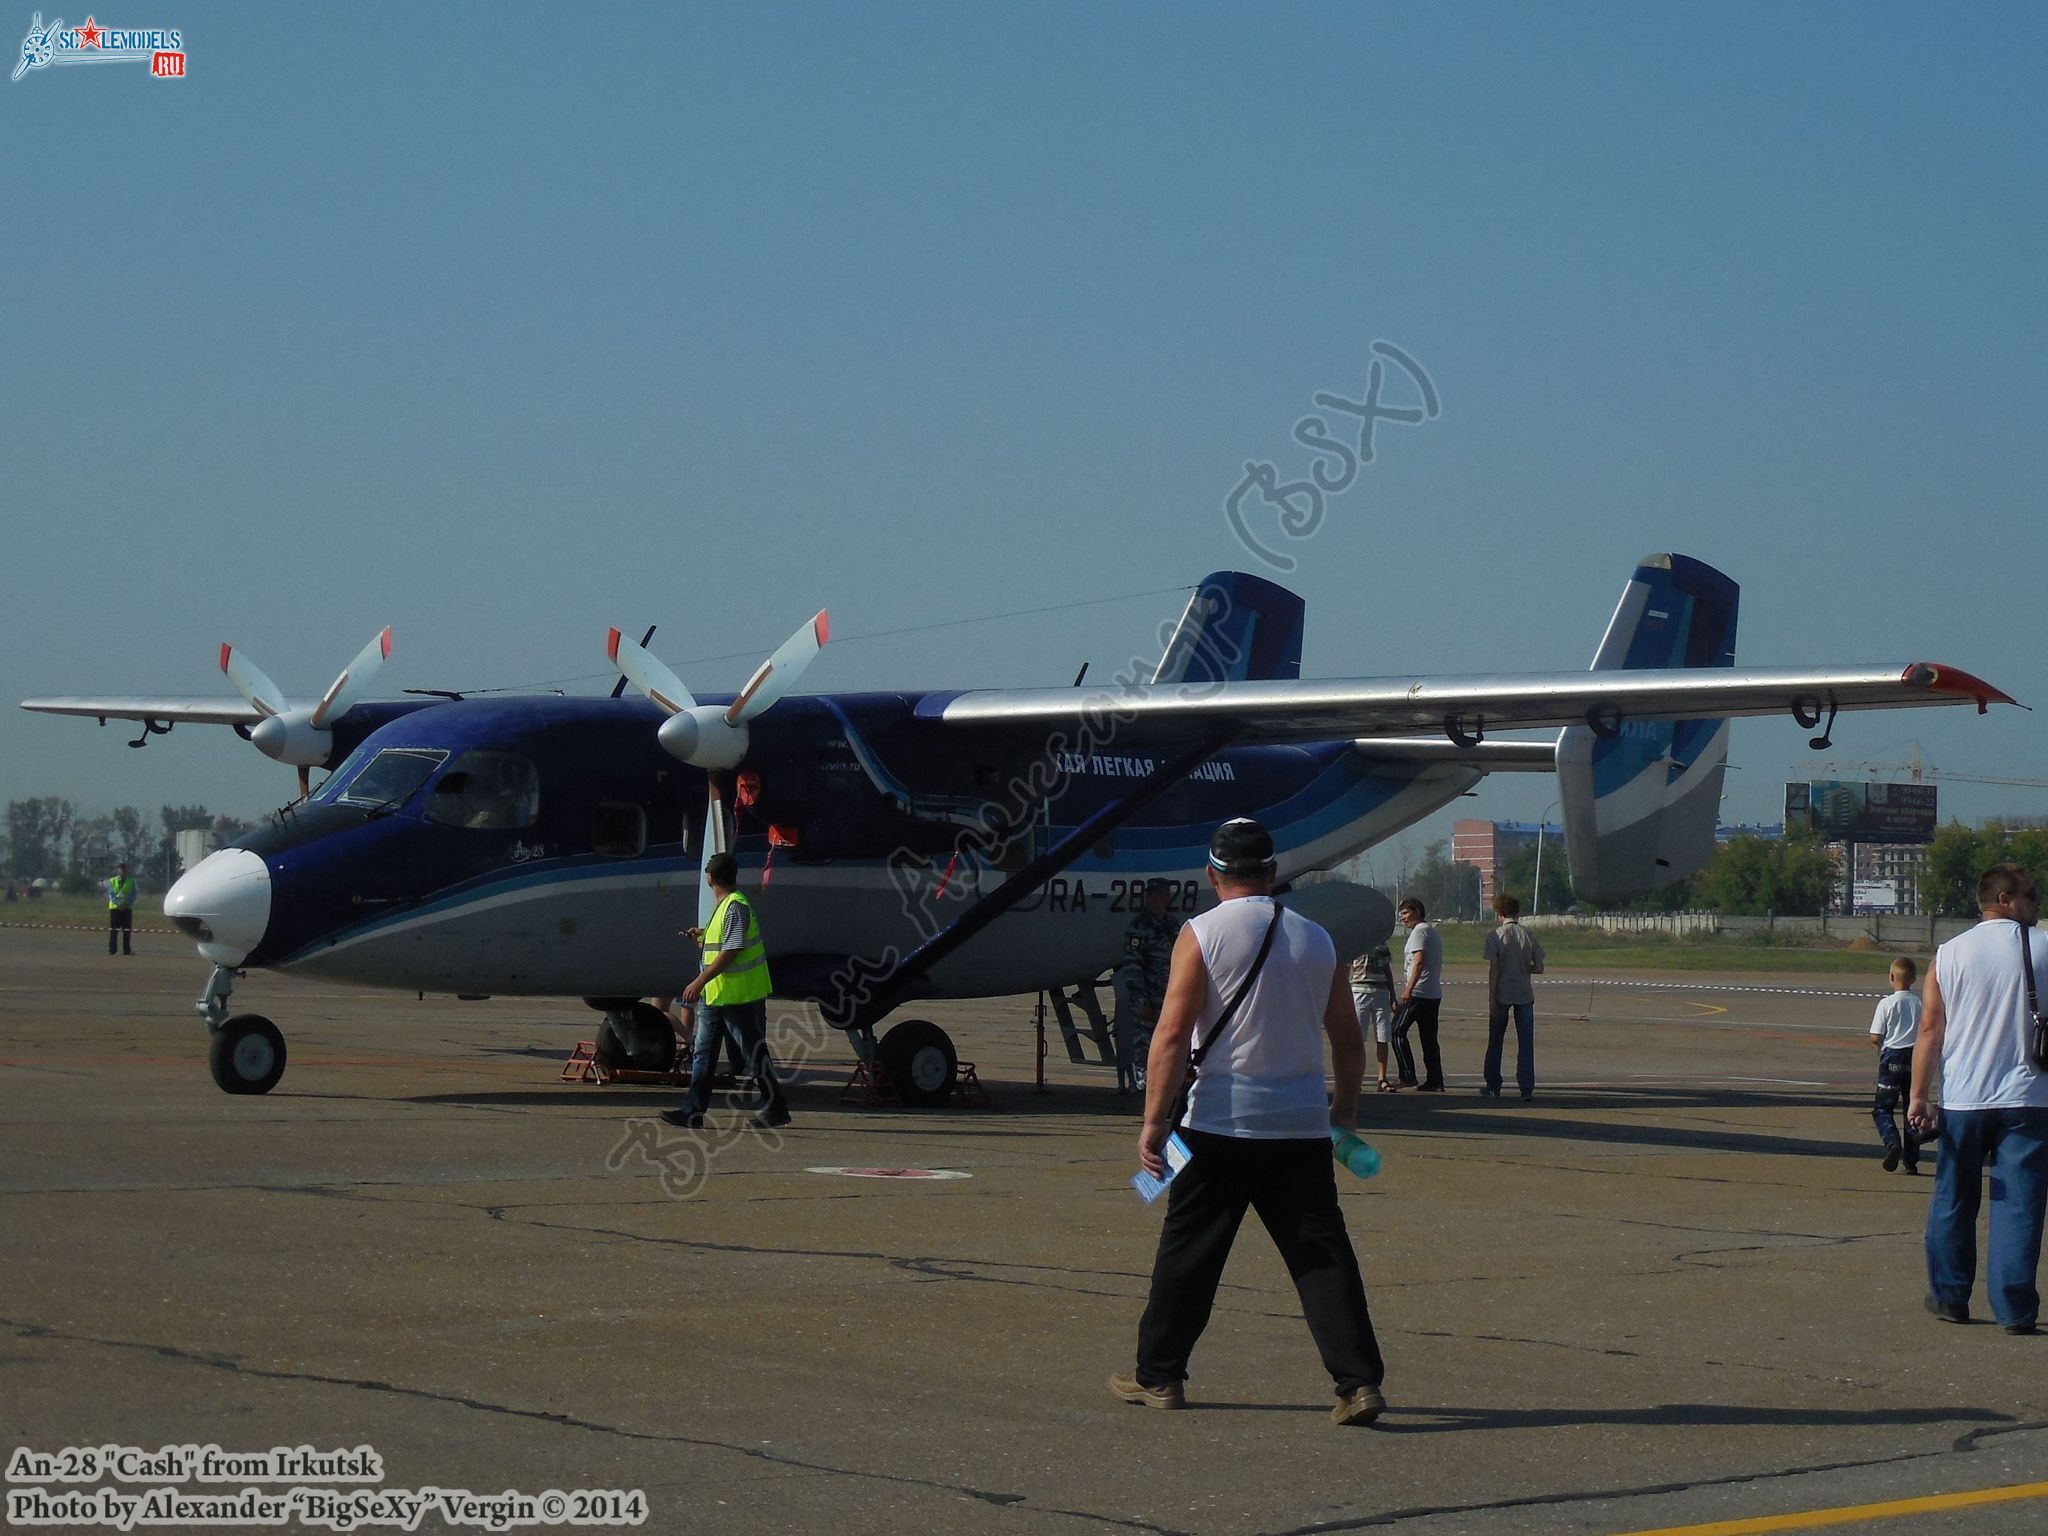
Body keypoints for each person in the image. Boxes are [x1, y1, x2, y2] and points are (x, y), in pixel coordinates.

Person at [1109, 817, 1387, 1425]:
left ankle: (1159, 1377)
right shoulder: (1317, 938)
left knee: (1190, 1255)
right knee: (1321, 1257)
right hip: (1301, 1129)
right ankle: (1358, 1382)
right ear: (1272, 871)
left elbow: (1173, 1034)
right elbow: (1347, 1037)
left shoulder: (1202, 934)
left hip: (1220, 1126)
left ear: (1212, 875)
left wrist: (1154, 1121)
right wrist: (1343, 1111)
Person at [1908, 863, 2048, 1334]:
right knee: (2021, 1202)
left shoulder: (1948, 954)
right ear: (2005, 899)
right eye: (2031, 895)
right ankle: (2014, 1309)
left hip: (1965, 1096)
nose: (2037, 904)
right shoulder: (2046, 948)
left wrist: (1918, 1096)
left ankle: (1950, 1295)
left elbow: (1931, 1026)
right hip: (2029, 1097)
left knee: (1954, 1195)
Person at [662, 853, 792, 1131]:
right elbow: (721, 946)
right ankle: (692, 1111)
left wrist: (698, 981)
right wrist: (702, 935)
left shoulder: (735, 907)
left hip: (737, 996)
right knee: (703, 1054)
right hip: (717, 995)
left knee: (753, 1055)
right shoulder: (724, 907)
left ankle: (776, 1107)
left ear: (710, 878)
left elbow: (732, 951)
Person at [1112, 878, 1183, 1095]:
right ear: (1150, 896)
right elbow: (1133, 966)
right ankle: (1144, 1090)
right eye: (1158, 893)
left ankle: (1167, 1089)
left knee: (1169, 1046)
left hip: (1169, 998)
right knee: (1145, 1047)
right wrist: (1141, 1002)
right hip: (1149, 999)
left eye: (1165, 893)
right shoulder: (1139, 927)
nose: (1163, 897)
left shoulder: (1172, 925)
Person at [1480, 893, 1545, 1101]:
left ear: (1499, 913)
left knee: (1496, 1040)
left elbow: (1494, 969)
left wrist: (1491, 996)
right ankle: (1526, 1087)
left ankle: (1493, 1084)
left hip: (1502, 993)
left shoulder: (1496, 935)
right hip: (1525, 993)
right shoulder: (1529, 934)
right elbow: (1540, 967)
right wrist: (1525, 968)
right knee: (1526, 1042)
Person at [1869, 956, 1926, 1174]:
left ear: (1891, 978)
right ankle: (1911, 1161)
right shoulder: (1919, 1003)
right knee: (1911, 1109)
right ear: (1913, 979)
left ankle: (1892, 1143)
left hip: (1892, 1056)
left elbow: (1875, 1035)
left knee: (1883, 1108)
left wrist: (1879, 1047)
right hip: (1915, 1056)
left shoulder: (1886, 1004)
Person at [1391, 898, 1445, 1091]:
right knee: (1429, 1038)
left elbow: (1419, 961)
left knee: (1396, 1031)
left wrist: (1408, 989)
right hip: (1432, 992)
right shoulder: (1431, 931)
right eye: (1402, 914)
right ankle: (1435, 1080)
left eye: (1406, 913)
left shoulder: (1419, 932)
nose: (1403, 917)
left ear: (1417, 912)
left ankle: (1407, 1076)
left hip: (1419, 992)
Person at [1350, 944, 1397, 1091]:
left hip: (1380, 991)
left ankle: (1382, 1078)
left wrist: (1393, 996)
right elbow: (1345, 968)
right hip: (1359, 991)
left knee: (1383, 1037)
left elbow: (1387, 970)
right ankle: (1355, 1078)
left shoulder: (1381, 943)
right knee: (1357, 1039)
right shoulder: (1354, 941)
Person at [105, 861, 136, 957]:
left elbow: (133, 895)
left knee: (126, 930)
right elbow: (111, 895)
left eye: (124, 869)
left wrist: (126, 904)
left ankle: (126, 949)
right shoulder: (112, 881)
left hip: (127, 909)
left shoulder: (131, 881)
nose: (122, 871)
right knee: (114, 930)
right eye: (121, 869)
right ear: (118, 870)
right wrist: (119, 904)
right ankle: (112, 949)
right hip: (115, 909)